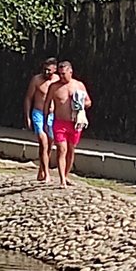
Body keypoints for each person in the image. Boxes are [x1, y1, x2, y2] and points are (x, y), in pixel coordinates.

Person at [42, 61, 92, 189]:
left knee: (71, 150)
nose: (62, 77)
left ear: (71, 72)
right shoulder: (54, 87)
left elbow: (88, 102)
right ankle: (62, 180)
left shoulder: (79, 85)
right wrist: (45, 120)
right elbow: (47, 103)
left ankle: (66, 174)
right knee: (61, 149)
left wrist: (81, 103)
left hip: (75, 123)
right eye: (60, 74)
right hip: (59, 123)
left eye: (64, 74)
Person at [23, 56, 58, 183]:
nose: (46, 72)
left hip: (52, 115)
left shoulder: (58, 81)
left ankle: (42, 169)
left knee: (49, 143)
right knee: (43, 142)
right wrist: (27, 117)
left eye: (49, 70)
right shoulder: (36, 80)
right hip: (38, 113)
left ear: (55, 69)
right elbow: (28, 98)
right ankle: (47, 173)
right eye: (44, 69)